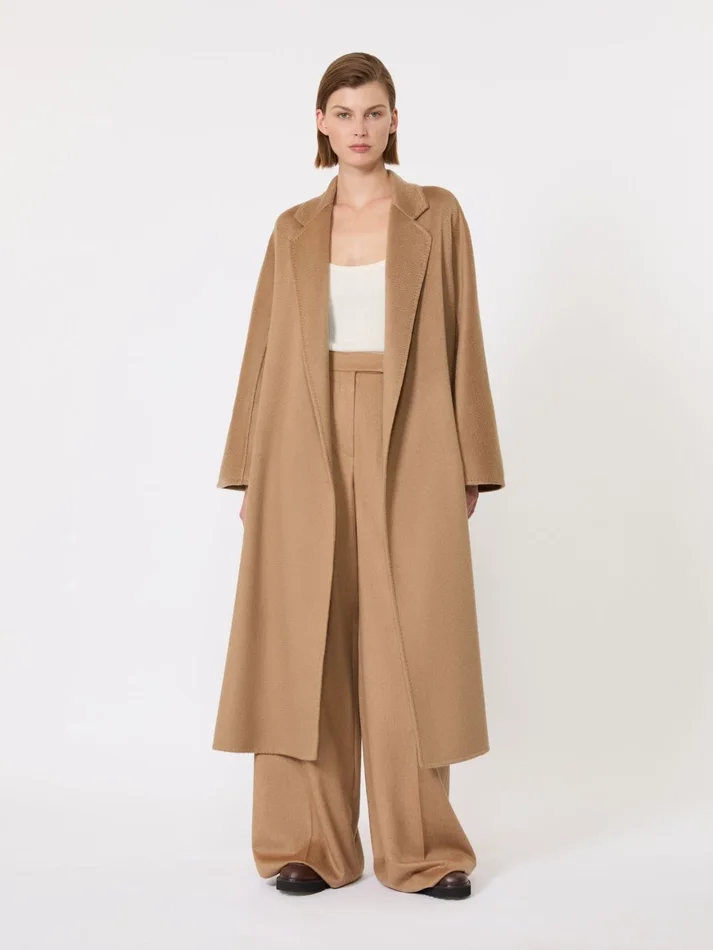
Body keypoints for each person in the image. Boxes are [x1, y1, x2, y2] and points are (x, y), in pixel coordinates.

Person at [212, 52, 505, 900]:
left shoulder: (435, 214)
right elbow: (263, 348)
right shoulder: (293, 228)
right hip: (300, 433)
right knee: (302, 635)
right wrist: (247, 472)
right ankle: (309, 843)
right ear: (320, 123)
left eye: (373, 111)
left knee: (409, 640)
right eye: (342, 113)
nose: (359, 128)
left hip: (412, 429)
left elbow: (462, 336)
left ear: (395, 120)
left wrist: (472, 463)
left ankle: (424, 850)